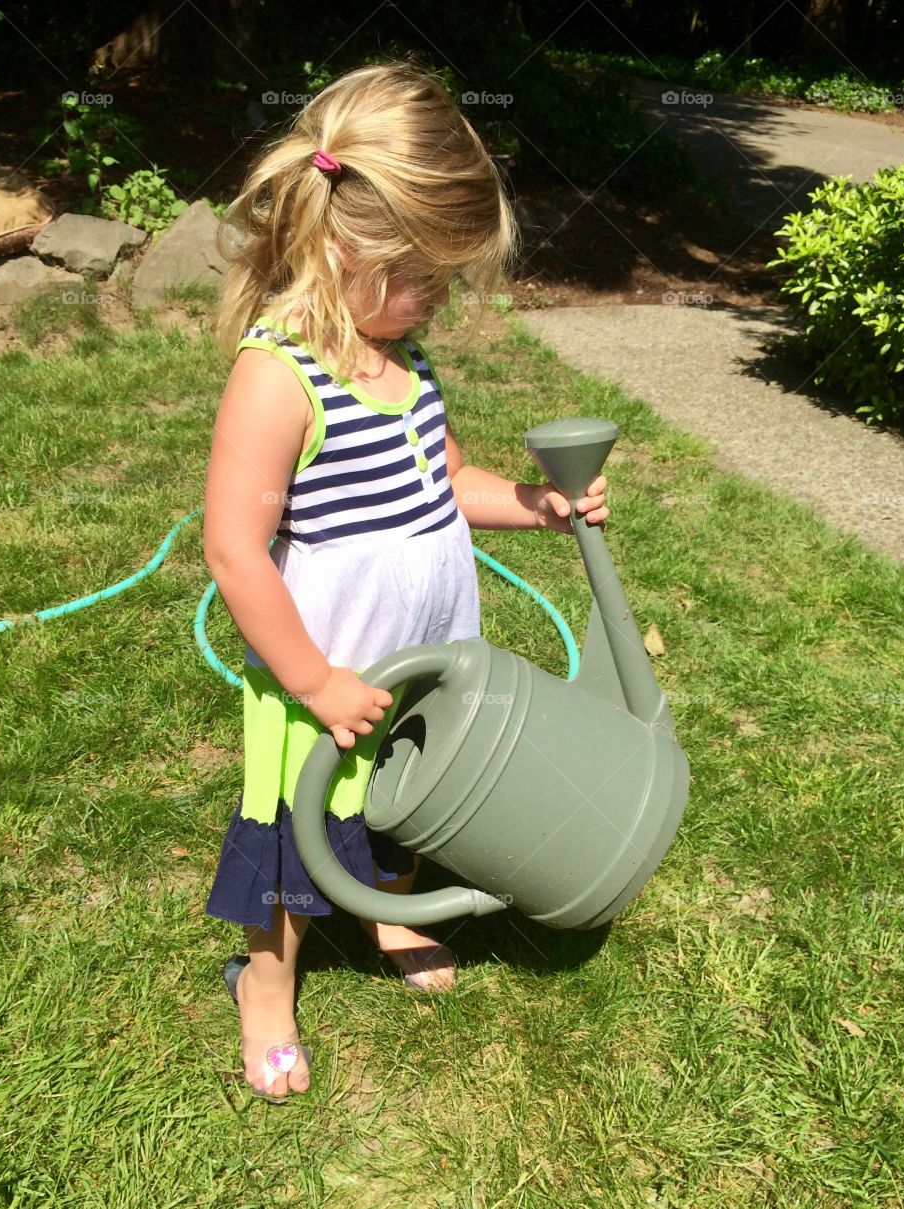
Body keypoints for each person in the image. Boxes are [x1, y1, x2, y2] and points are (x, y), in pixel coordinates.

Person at [202, 60, 610, 1104]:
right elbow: (235, 554)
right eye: (428, 274)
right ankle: (267, 979)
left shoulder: (409, 361)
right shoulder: (278, 377)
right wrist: (314, 681)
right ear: (347, 249)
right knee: (293, 838)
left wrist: (535, 504)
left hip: (422, 659)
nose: (442, 296)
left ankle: (391, 908)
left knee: (405, 804)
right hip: (326, 670)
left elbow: (448, 480)